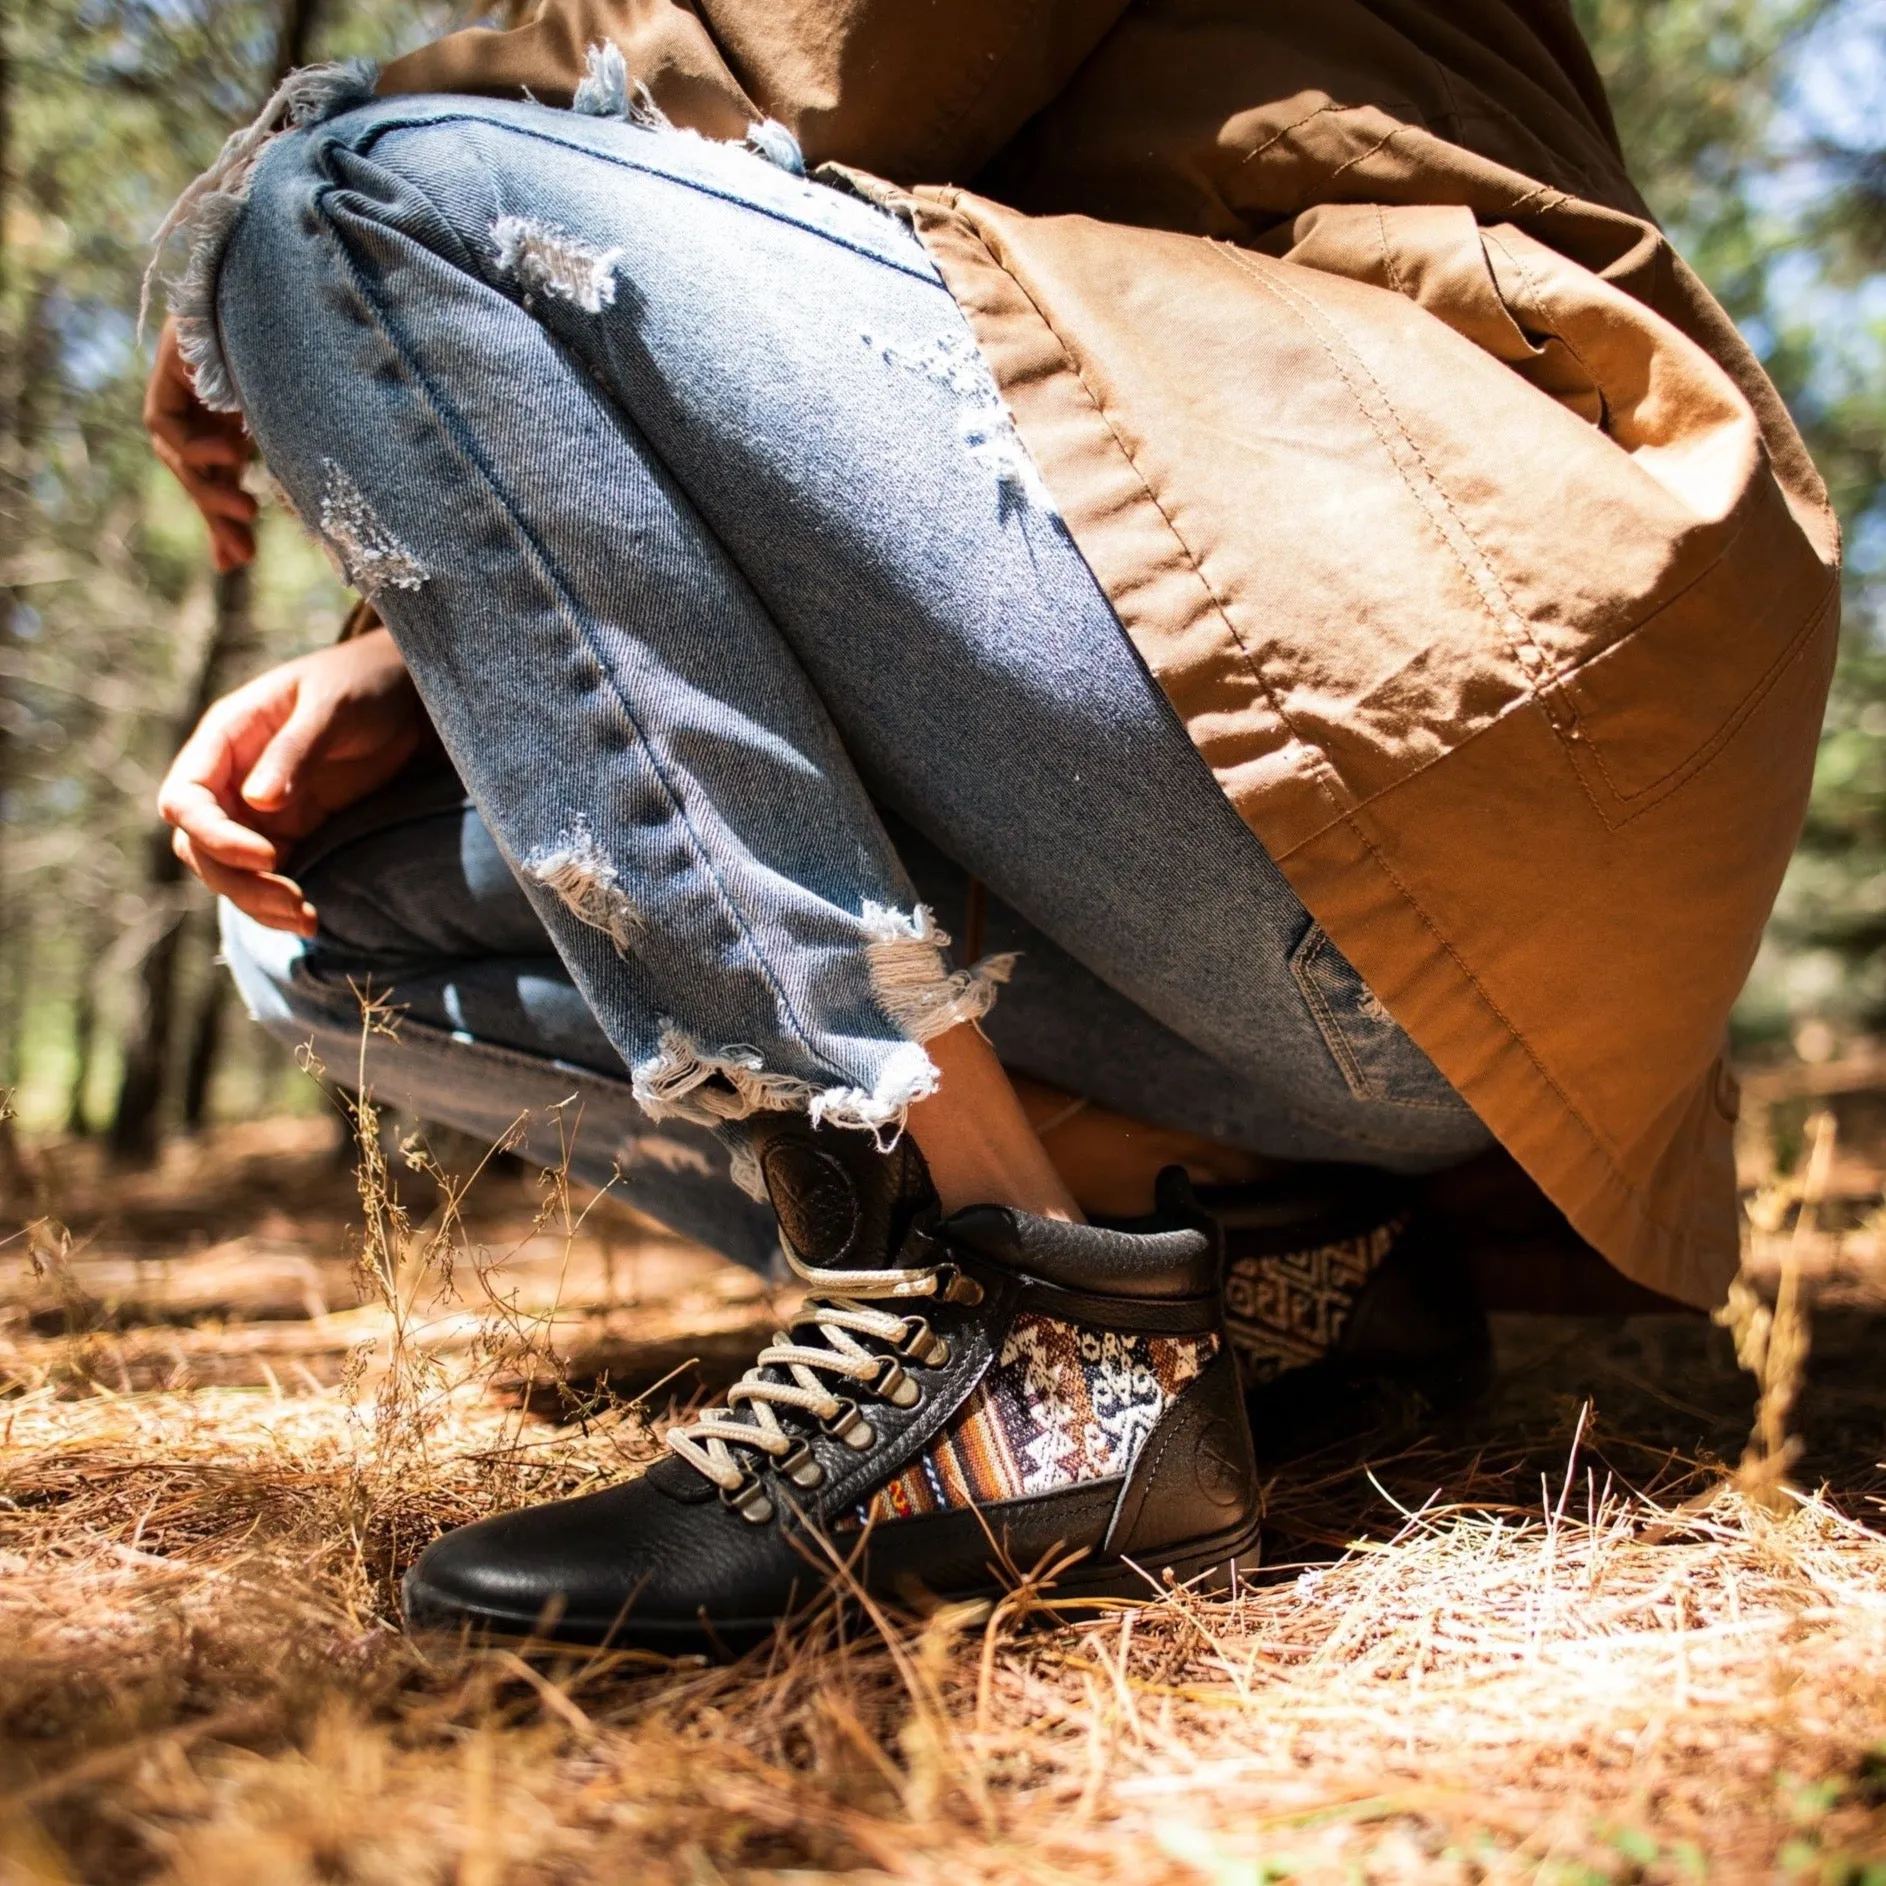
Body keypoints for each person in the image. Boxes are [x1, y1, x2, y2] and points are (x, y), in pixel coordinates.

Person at [145, 1, 1836, 1651]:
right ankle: (1264, 1252)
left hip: (1413, 661)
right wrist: (407, 666)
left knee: (349, 198)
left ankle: (1007, 1308)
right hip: (1269, 853)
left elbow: (798, 60)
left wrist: (262, 215)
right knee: (315, 913)